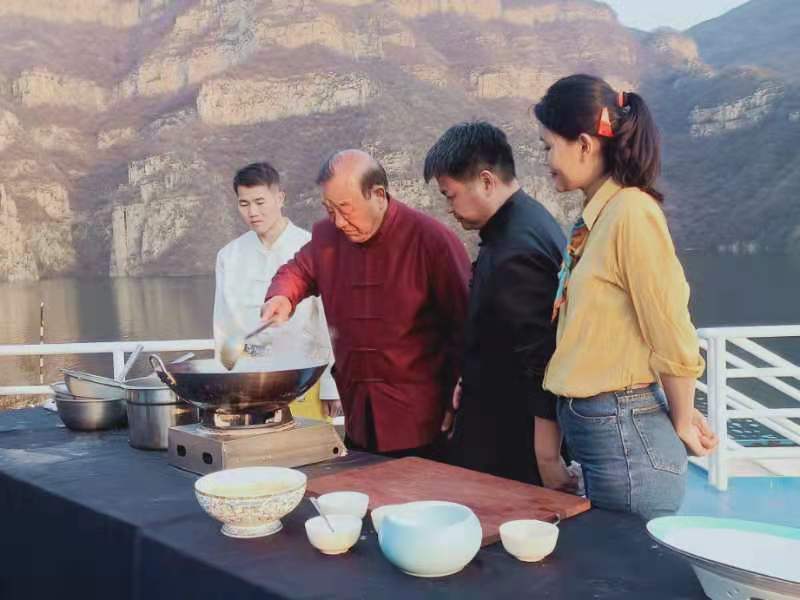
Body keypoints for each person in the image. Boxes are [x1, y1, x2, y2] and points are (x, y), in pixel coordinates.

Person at [534, 74, 718, 519]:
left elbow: (670, 325)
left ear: (583, 144)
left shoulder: (631, 213)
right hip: (607, 430)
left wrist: (681, 415)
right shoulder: (597, 219)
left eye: (548, 147)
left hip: (625, 431)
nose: (546, 161)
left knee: (630, 572)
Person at [260, 150, 471, 457]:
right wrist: (282, 295)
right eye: (330, 210)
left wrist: (459, 397)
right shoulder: (327, 237)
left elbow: (467, 324)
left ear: (378, 195)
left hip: (421, 417)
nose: (340, 222)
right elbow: (298, 270)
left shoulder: (430, 240)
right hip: (358, 410)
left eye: (346, 209)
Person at [423, 121, 576, 489]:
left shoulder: (516, 249)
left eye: (450, 194)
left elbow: (542, 359)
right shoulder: (520, 223)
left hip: (511, 438)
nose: (449, 208)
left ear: (487, 182)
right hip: (496, 416)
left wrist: (547, 457)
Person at [213, 162, 340, 417]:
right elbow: (223, 326)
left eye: (260, 202)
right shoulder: (229, 255)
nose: (253, 212)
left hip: (304, 378)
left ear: (280, 198)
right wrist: (223, 385)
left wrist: (331, 385)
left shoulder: (310, 246)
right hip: (248, 382)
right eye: (244, 203)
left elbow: (331, 323)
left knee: (308, 453)